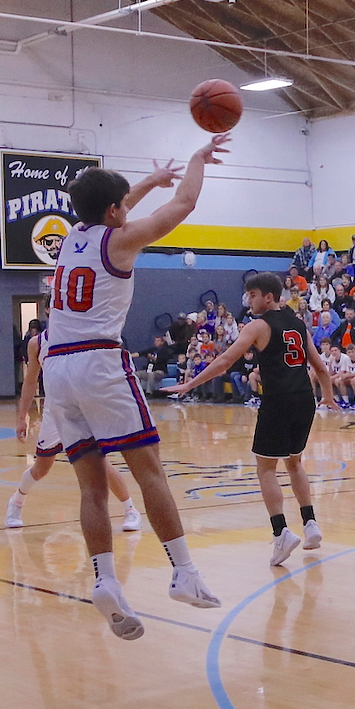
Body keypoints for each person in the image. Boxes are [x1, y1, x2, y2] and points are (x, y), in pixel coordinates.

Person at [43, 147, 227, 638]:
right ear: (113, 211)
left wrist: (149, 180)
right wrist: (196, 158)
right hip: (99, 363)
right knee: (149, 472)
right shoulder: (121, 241)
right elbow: (185, 203)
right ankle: (184, 572)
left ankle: (104, 580)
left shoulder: (71, 237)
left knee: (92, 487)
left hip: (56, 368)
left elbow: (114, 205)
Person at [168, 271, 334, 567]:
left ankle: (281, 532)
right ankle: (310, 524)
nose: (249, 300)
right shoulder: (298, 324)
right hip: (304, 399)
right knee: (294, 462)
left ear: (268, 297)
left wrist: (190, 383)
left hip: (278, 400)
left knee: (266, 468)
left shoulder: (258, 325)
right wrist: (329, 397)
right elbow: (320, 367)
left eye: (253, 295)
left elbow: (224, 361)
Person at [6, 319, 144, 533]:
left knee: (101, 463)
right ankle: (16, 502)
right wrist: (22, 416)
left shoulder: (82, 334)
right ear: (50, 311)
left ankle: (130, 510)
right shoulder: (37, 343)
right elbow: (31, 380)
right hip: (55, 411)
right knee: (41, 468)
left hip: (84, 408)